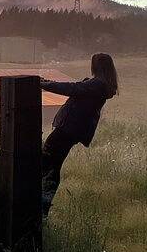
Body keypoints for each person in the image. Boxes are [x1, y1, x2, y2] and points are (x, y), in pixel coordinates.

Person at [39, 53, 118, 215]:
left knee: (48, 163)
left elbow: (71, 88)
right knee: (51, 164)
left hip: (68, 129)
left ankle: (43, 204)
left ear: (96, 66)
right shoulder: (99, 84)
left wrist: (44, 85)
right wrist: (46, 83)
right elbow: (74, 87)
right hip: (71, 130)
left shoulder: (97, 85)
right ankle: (43, 203)